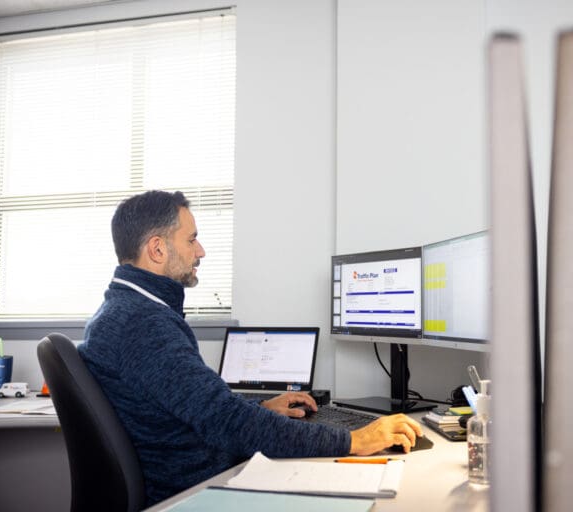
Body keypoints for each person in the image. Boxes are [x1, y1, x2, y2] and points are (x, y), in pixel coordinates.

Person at [78, 190, 423, 506]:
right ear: (157, 249)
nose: (201, 251)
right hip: (194, 489)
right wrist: (353, 441)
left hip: (195, 473)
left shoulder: (123, 310)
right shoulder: (143, 325)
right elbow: (227, 422)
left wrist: (263, 407)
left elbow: (201, 406)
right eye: (192, 239)